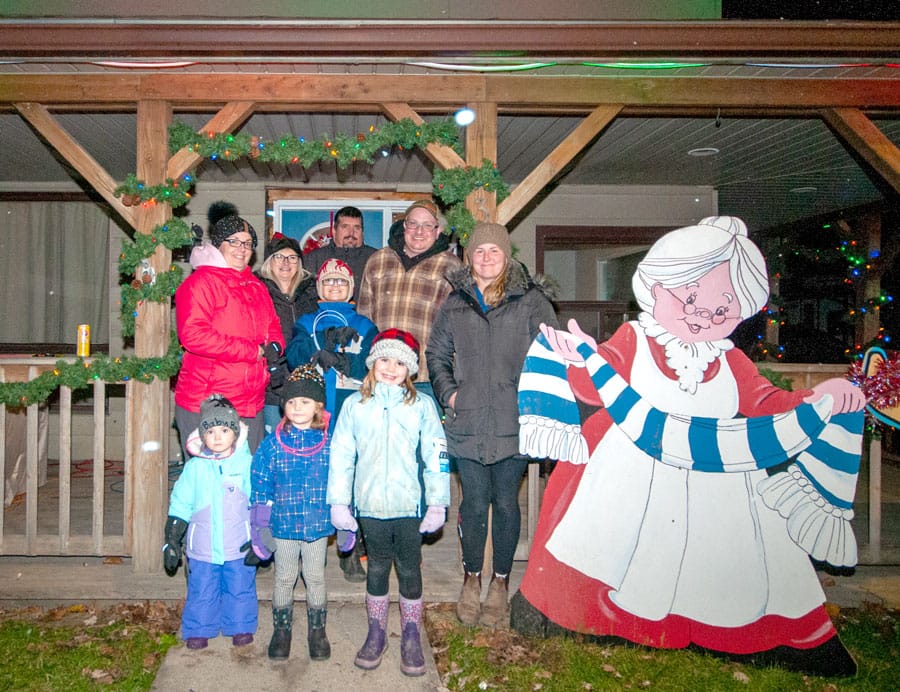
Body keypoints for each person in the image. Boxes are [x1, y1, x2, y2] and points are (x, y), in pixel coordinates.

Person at [510, 216, 867, 677]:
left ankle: (753, 636)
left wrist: (819, 399)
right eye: (692, 297)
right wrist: (576, 355)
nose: (706, 313)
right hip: (631, 464)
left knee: (737, 558)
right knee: (607, 546)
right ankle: (584, 618)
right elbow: (595, 385)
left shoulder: (731, 360)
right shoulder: (634, 339)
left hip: (719, 471)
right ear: (657, 287)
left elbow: (767, 404)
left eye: (725, 307)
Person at [427, 222, 559, 628]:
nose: (486, 258)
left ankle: (500, 583)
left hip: (512, 421)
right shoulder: (456, 303)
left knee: (505, 504)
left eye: (494, 252)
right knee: (471, 504)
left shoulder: (531, 302)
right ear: (470, 257)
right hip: (466, 421)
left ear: (508, 257)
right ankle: (471, 578)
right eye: (479, 251)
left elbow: (552, 355)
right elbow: (436, 354)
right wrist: (450, 393)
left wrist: (533, 402)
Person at [327, 329, 450, 677]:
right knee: (378, 566)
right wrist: (339, 501)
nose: (391, 367)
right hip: (369, 506)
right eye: (384, 359)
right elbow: (341, 455)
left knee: (409, 568)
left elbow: (437, 454)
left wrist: (437, 502)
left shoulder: (422, 406)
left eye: (399, 362)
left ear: (410, 369)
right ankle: (376, 632)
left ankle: (411, 633)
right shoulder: (355, 405)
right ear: (372, 363)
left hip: (409, 506)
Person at [285, 257, 378, 583]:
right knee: (311, 480)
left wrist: (346, 360)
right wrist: (319, 348)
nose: (334, 286)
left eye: (341, 281)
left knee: (350, 482)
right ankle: (307, 547)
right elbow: (293, 355)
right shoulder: (307, 321)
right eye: (328, 281)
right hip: (314, 414)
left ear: (350, 288)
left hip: (351, 413)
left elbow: (375, 366)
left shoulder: (365, 324)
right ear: (320, 287)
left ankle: (349, 549)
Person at [174, 204, 284, 455]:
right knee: (209, 482)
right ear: (218, 244)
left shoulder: (256, 286)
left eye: (247, 244)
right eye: (234, 241)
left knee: (245, 479)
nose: (241, 249)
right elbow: (193, 335)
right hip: (208, 400)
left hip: (249, 401)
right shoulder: (201, 283)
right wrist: (250, 351)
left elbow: (273, 325)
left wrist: (275, 345)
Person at [249, 365, 334, 662]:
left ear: (318, 407)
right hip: (282, 525)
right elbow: (260, 482)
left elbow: (341, 480)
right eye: (292, 402)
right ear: (284, 405)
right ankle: (282, 629)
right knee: (284, 577)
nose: (298, 408)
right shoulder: (272, 445)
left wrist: (345, 517)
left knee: (315, 577)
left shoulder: (329, 445)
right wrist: (260, 521)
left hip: (316, 525)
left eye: (305, 402)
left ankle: (317, 629)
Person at [163, 394, 257, 650]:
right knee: (202, 588)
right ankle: (199, 628)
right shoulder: (194, 469)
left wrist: (259, 537)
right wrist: (172, 538)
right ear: (202, 435)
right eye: (211, 431)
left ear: (235, 433)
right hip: (202, 546)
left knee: (239, 587)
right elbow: (180, 503)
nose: (217, 436)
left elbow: (258, 500)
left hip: (238, 543)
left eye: (224, 430)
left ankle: (240, 626)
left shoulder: (246, 464)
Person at [357, 199, 462, 389]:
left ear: (438, 231)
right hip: (381, 373)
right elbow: (363, 320)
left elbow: (459, 326)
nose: (419, 231)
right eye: (413, 224)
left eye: (427, 225)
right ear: (404, 226)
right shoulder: (377, 260)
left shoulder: (452, 266)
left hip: (426, 376)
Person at [256, 233, 319, 433]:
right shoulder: (257, 292)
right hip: (271, 386)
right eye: (279, 256)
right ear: (269, 261)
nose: (286, 262)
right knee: (275, 442)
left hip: (304, 385)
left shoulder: (311, 294)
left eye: (292, 257)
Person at [303, 206, 376, 303]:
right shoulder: (314, 259)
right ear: (334, 231)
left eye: (357, 228)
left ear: (362, 232)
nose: (351, 233)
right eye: (345, 227)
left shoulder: (375, 258)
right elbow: (304, 298)